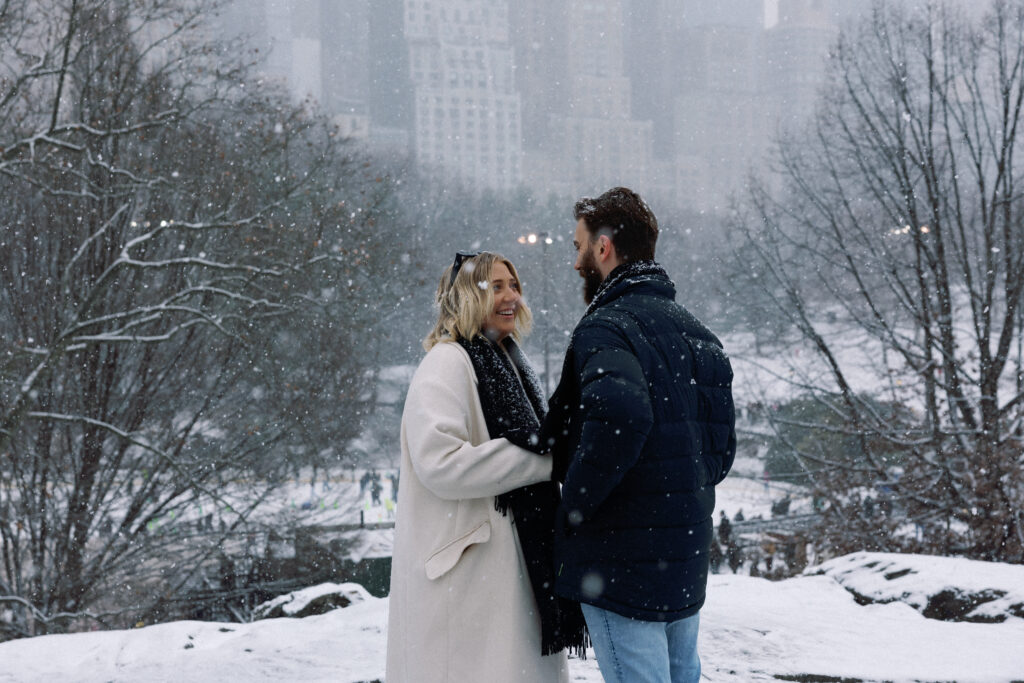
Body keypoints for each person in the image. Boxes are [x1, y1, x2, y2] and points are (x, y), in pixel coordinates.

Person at [543, 187, 736, 683]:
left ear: (603, 248)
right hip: (684, 553)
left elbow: (622, 416)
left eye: (578, 246)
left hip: (621, 560)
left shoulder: (606, 328)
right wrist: (675, 495)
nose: (575, 261)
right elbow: (720, 452)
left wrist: (578, 505)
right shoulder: (698, 333)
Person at [386, 252, 583, 683]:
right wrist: (547, 461)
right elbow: (441, 464)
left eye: (513, 285)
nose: (512, 295)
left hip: (501, 571)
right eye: (496, 287)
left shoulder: (507, 360)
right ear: (465, 298)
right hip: (467, 576)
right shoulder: (447, 362)